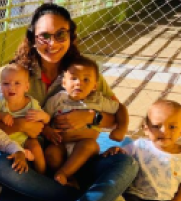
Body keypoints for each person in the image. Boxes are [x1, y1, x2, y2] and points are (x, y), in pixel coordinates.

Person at [0, 3, 138, 201]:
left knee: (126, 163)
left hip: (79, 157)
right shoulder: (15, 75)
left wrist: (91, 117)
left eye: (60, 34)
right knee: (0, 167)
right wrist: (20, 127)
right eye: (44, 36)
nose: (52, 43)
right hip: (37, 163)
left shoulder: (83, 72)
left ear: (71, 35)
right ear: (32, 38)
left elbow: (114, 116)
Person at [42, 56, 127, 186]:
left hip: (85, 146)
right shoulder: (57, 99)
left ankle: (64, 174)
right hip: (61, 144)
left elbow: (120, 108)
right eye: (73, 78)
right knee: (51, 153)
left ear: (94, 86)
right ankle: (66, 181)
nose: (79, 83)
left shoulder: (98, 100)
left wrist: (121, 128)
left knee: (88, 145)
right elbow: (44, 118)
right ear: (64, 83)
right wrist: (47, 130)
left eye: (86, 80)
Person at [0, 63, 49, 174]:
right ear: (1, 87)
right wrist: (0, 115)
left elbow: (46, 119)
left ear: (26, 87)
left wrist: (43, 116)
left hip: (25, 139)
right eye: (6, 84)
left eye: (17, 83)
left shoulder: (32, 103)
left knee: (36, 147)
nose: (11, 87)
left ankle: (43, 173)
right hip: (5, 141)